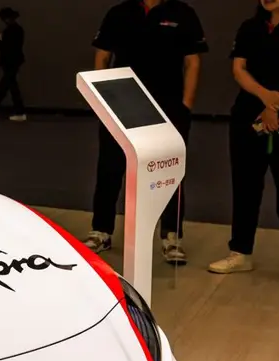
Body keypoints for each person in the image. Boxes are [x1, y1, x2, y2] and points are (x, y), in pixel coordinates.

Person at [208, 0, 279, 289]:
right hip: (248, 115)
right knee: (245, 187)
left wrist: (276, 105)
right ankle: (240, 252)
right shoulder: (250, 27)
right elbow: (239, 69)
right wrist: (265, 97)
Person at [82, 0, 206, 264]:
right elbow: (102, 56)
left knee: (169, 172)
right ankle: (101, 230)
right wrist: (102, 100)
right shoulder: (119, 12)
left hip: (167, 106)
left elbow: (193, 62)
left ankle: (171, 236)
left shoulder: (183, 13)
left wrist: (185, 106)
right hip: (121, 104)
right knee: (110, 168)